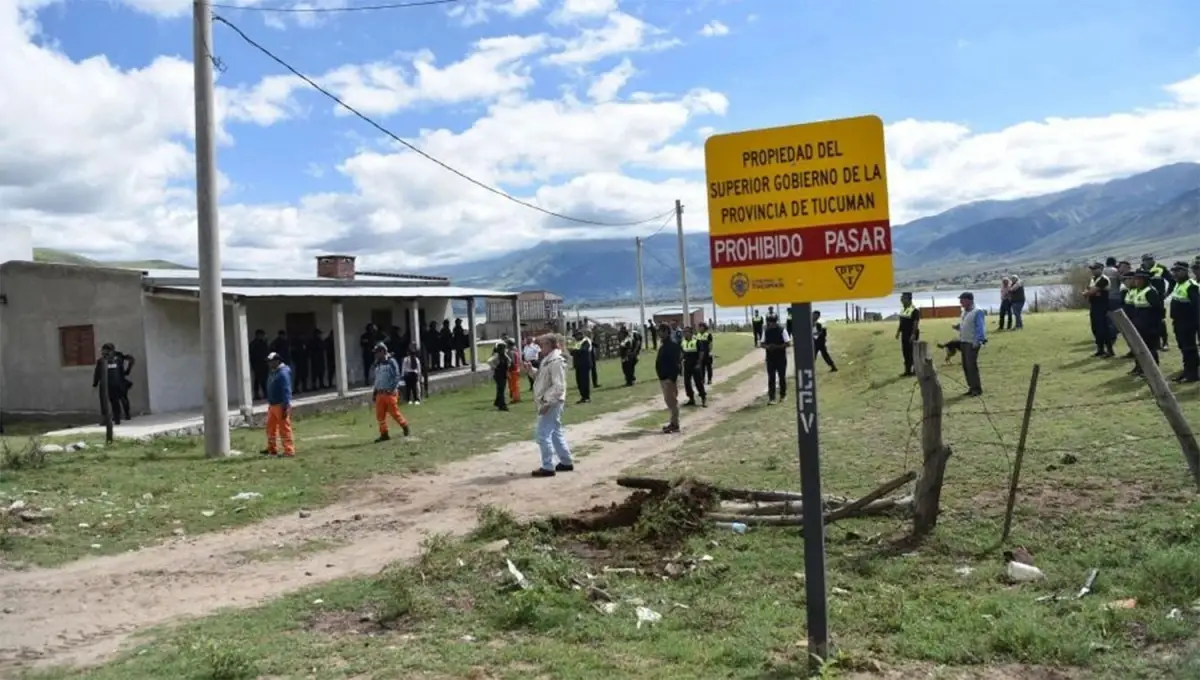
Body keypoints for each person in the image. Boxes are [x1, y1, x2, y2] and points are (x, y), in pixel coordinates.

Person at [525, 334, 573, 477]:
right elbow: (543, 379)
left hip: (552, 402)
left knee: (542, 434)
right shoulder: (548, 360)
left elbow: (559, 386)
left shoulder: (556, 361)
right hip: (551, 401)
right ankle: (566, 461)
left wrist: (547, 402)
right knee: (555, 432)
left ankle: (547, 466)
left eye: (543, 344)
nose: (541, 348)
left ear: (551, 345)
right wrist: (531, 371)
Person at [371, 343, 410, 441]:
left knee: (394, 413)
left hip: (389, 393)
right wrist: (375, 392)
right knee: (380, 416)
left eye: (377, 352)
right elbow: (377, 379)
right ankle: (384, 434)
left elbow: (396, 376)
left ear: (383, 352)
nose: (376, 355)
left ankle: (405, 426)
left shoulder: (391, 362)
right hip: (380, 393)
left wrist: (392, 389)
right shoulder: (377, 364)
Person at [1169, 262, 1199, 383]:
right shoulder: (1178, 284)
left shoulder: (1191, 286)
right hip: (1178, 322)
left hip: (1188, 323)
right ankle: (1187, 370)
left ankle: (1192, 374)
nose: (1175, 273)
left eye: (1178, 271)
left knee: (1189, 348)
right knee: (1183, 347)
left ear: (1185, 271)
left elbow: (1196, 307)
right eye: (1174, 271)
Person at [952, 292, 986, 396]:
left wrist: (978, 341)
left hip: (972, 343)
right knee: (966, 366)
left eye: (962, 300)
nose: (960, 302)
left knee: (971, 366)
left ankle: (976, 389)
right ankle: (971, 387)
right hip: (963, 341)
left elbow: (980, 328)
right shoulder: (964, 312)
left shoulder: (977, 311)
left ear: (969, 300)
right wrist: (958, 327)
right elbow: (966, 324)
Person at [262, 351, 295, 457]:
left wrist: (286, 406)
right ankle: (272, 448)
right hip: (272, 404)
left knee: (284, 428)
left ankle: (289, 450)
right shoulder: (273, 372)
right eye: (268, 362)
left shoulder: (283, 373)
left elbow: (286, 390)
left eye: (271, 361)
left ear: (277, 361)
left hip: (281, 405)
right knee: (270, 427)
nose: (269, 364)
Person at [92, 343, 134, 424]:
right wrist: (126, 372)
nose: (103, 352)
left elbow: (97, 373)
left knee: (105, 402)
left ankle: (107, 419)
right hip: (118, 383)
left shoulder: (102, 361)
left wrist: (95, 384)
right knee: (116, 401)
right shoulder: (118, 359)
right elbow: (130, 360)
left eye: (104, 350)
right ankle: (119, 418)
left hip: (106, 385)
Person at [656, 323, 683, 433]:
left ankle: (675, 424)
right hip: (663, 377)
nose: (660, 333)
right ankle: (673, 422)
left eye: (663, 331)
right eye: (659, 331)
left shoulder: (672, 346)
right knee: (669, 401)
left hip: (669, 378)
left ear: (668, 332)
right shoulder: (663, 345)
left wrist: (671, 379)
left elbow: (676, 364)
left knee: (672, 402)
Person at [1084, 262, 1114, 357]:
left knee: (1104, 329)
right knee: (1095, 328)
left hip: (1102, 306)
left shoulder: (1104, 279)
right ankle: (1100, 349)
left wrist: (1089, 293)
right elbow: (1089, 290)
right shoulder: (1093, 279)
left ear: (1101, 269)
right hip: (1094, 306)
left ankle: (1110, 350)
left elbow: (1091, 291)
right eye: (1092, 269)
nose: (1093, 271)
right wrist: (1089, 292)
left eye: (1095, 269)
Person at [1142, 253, 1171, 351]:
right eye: (1146, 260)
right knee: (1149, 321)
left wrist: (1166, 294)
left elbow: (1172, 281)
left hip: (1158, 299)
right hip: (1145, 299)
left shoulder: (1161, 268)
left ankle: (1165, 342)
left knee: (1160, 320)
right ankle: (1155, 343)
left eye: (1150, 259)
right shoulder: (1141, 270)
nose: (1148, 261)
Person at [761, 315, 789, 404]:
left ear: (775, 321)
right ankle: (772, 398)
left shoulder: (782, 330)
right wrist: (768, 347)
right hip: (770, 358)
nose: (771, 324)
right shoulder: (766, 331)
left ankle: (783, 396)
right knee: (771, 378)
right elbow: (762, 344)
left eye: (772, 322)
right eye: (769, 322)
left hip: (781, 357)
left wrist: (777, 347)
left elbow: (788, 343)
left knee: (782, 377)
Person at [680, 327, 707, 407]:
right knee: (687, 383)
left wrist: (699, 363)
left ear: (691, 333)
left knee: (698, 382)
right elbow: (682, 353)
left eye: (687, 332)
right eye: (684, 332)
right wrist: (679, 361)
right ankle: (691, 398)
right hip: (687, 365)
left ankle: (703, 398)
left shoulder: (697, 341)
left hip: (695, 365)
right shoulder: (683, 342)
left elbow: (701, 352)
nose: (685, 333)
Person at [896, 292, 921, 376]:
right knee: (905, 352)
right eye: (901, 298)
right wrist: (898, 332)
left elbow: (915, 323)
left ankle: (915, 370)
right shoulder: (904, 310)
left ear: (908, 299)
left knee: (913, 352)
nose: (901, 300)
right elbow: (901, 322)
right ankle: (907, 371)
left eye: (903, 298)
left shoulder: (914, 310)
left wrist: (913, 334)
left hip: (911, 334)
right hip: (904, 333)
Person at [568, 330, 591, 403]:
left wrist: (574, 350)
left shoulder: (585, 342)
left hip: (584, 364)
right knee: (579, 382)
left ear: (580, 335)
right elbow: (573, 353)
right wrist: (571, 350)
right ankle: (583, 397)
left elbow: (583, 350)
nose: (575, 337)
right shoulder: (577, 343)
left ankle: (587, 397)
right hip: (578, 365)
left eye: (576, 336)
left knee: (585, 382)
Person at [488, 342, 511, 411]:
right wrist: (495, 367)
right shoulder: (497, 356)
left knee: (501, 390)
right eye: (504, 348)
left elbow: (509, 361)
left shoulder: (504, 356)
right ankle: (503, 405)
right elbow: (489, 361)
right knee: (501, 390)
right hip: (498, 375)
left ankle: (498, 403)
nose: (505, 350)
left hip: (503, 374)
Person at [249, 329, 270, 400]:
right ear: (258, 335)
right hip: (258, 364)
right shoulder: (254, 344)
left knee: (262, 379)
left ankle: (264, 393)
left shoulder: (263, 343)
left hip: (263, 364)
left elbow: (267, 352)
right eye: (262, 335)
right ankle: (258, 394)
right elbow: (253, 355)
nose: (263, 336)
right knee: (259, 380)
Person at [507, 339, 523, 403]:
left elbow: (512, 362)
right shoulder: (516, 351)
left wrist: (508, 369)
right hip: (516, 369)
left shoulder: (511, 352)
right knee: (515, 384)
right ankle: (516, 397)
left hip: (513, 370)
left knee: (514, 385)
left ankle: (516, 398)